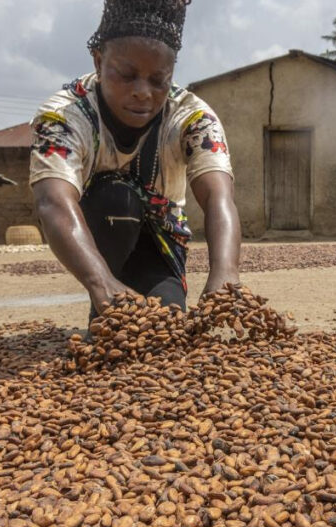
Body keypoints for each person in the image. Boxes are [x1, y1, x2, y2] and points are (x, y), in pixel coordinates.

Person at [30, 0, 241, 316]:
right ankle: (104, 306)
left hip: (161, 239)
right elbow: (52, 202)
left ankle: (137, 295)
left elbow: (218, 196)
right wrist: (101, 282)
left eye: (158, 80)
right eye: (127, 75)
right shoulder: (64, 117)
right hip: (100, 227)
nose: (143, 91)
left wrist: (225, 274)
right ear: (99, 61)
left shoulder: (194, 118)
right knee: (118, 198)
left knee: (167, 317)